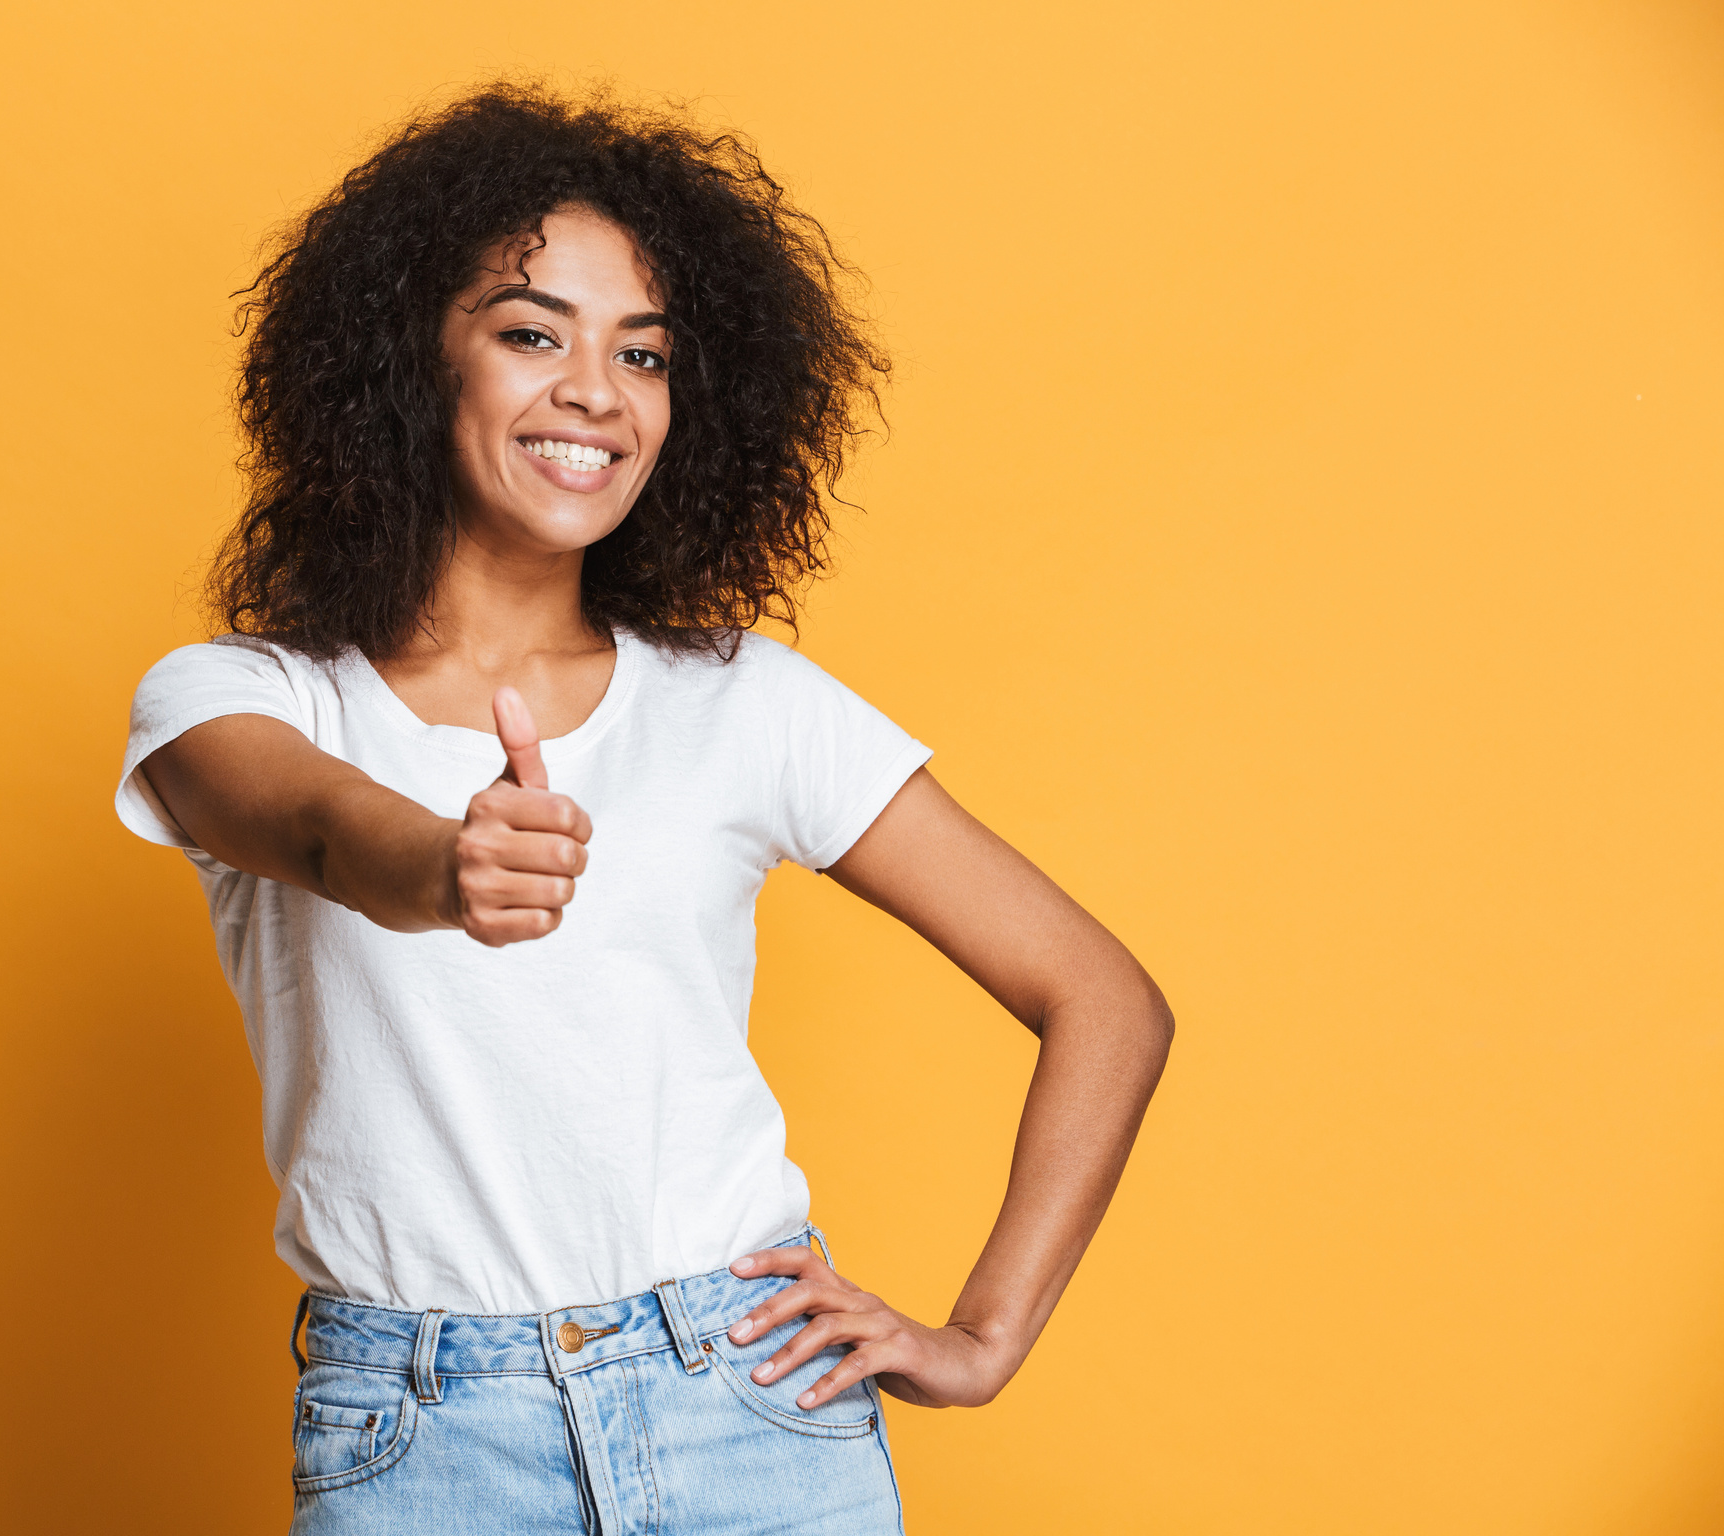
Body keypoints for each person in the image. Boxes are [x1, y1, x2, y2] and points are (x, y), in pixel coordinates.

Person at [115, 86, 1172, 1535]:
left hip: (749, 1405)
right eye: (532, 332)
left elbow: (1104, 999)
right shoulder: (236, 697)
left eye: (646, 353)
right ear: (410, 362)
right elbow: (303, 826)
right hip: (422, 1438)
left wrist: (981, 1338)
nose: (597, 393)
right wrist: (446, 863)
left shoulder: (744, 704)